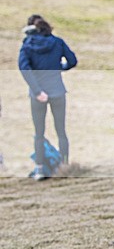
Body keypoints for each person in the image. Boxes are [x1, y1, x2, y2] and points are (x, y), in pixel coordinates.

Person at [19, 15, 78, 181]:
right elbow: (72, 61)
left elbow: (24, 69)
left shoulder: (27, 45)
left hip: (37, 95)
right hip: (58, 90)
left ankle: (40, 169)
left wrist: (37, 91)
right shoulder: (57, 42)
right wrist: (60, 68)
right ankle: (65, 166)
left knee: (39, 133)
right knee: (61, 131)